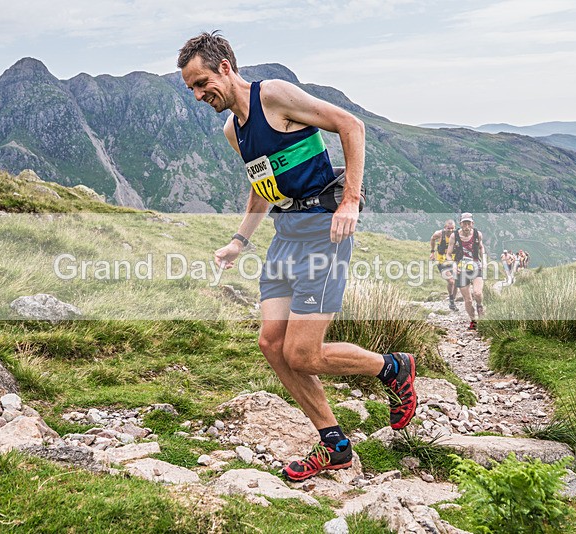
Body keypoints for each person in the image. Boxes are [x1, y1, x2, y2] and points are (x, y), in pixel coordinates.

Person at [177, 32, 417, 482]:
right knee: (272, 344)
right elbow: (262, 187)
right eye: (191, 88)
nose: (197, 95)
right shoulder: (233, 131)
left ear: (225, 68)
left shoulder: (273, 95)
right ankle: (335, 444)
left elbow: (351, 125)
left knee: (303, 354)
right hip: (284, 237)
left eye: (201, 82)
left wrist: (350, 200)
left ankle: (393, 367)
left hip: (322, 233)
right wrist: (239, 240)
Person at [446, 213, 486, 330]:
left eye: (469, 223)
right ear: (460, 224)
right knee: (468, 300)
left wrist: (484, 260)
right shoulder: (454, 236)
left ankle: (480, 306)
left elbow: (481, 247)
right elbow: (448, 254)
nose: (467, 226)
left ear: (472, 223)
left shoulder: (477, 234)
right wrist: (453, 265)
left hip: (476, 267)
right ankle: (473, 321)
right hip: (461, 270)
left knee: (477, 293)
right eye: (464, 223)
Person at [429, 220, 458, 310]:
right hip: (441, 261)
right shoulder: (439, 234)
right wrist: (432, 252)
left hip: (453, 261)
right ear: (444, 228)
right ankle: (451, 298)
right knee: (451, 281)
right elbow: (432, 239)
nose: (450, 230)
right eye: (448, 228)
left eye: (452, 228)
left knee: (456, 282)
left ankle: (452, 301)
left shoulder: (457, 234)